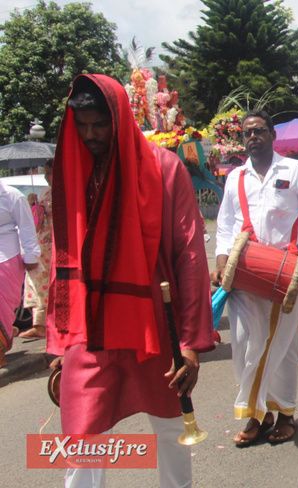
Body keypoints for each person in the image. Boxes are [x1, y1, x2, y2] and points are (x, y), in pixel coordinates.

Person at [47, 74, 213, 487]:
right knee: (83, 435)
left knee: (172, 430)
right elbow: (61, 255)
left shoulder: (165, 168)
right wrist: (59, 335)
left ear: (119, 119)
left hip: (154, 323)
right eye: (81, 125)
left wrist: (190, 344)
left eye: (99, 124)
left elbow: (189, 256)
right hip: (90, 326)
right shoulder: (73, 170)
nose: (90, 135)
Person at [213, 109, 298, 446]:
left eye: (260, 131)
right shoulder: (234, 177)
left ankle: (285, 414)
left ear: (272, 135)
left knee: (282, 344)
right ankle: (257, 413)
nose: (253, 137)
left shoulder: (294, 170)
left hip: (286, 272)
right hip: (244, 273)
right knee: (242, 341)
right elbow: (224, 225)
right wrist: (222, 261)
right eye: (247, 132)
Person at [0, 178, 39, 367]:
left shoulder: (12, 196)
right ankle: (8, 333)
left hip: (7, 257)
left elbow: (26, 226)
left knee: (3, 307)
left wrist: (31, 255)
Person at [21, 159, 53, 339]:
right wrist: (33, 205)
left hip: (57, 246)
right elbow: (37, 223)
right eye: (45, 173)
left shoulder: (65, 191)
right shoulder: (43, 192)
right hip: (42, 246)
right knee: (37, 284)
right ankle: (39, 324)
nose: (47, 177)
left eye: (49, 173)